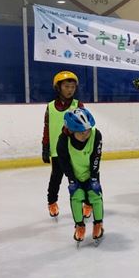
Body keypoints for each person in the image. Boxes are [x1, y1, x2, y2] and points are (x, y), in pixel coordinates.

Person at [42, 71, 91, 219]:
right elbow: (47, 128)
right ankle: (52, 202)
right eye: (66, 86)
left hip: (75, 149)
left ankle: (87, 203)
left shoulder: (78, 105)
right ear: (58, 88)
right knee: (56, 178)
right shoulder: (50, 107)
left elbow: (86, 126)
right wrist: (45, 147)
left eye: (72, 87)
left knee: (82, 178)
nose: (70, 90)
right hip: (58, 151)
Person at [57, 108, 104, 246]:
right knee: (76, 196)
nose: (86, 134)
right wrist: (72, 180)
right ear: (71, 131)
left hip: (91, 172)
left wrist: (94, 178)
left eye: (88, 130)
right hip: (75, 174)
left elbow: (96, 158)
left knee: (95, 195)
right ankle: (79, 225)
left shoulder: (96, 135)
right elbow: (64, 164)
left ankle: (98, 224)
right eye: (81, 132)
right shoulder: (62, 141)